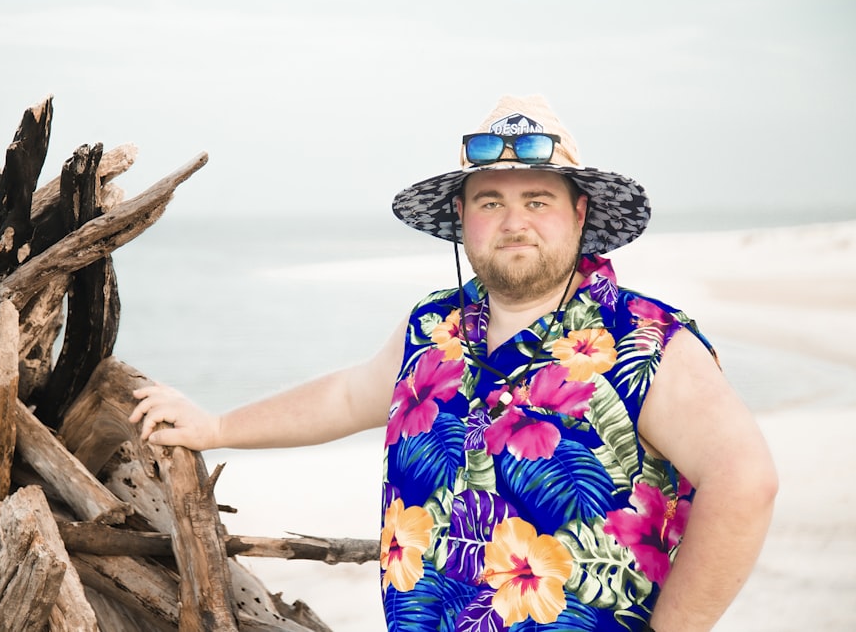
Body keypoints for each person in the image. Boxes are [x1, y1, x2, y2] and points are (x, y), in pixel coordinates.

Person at [130, 95, 778, 631]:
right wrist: (215, 427)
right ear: (462, 218)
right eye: (490, 200)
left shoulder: (647, 339)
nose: (513, 221)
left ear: (580, 214)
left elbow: (745, 481)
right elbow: (346, 396)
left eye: (538, 200)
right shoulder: (432, 327)